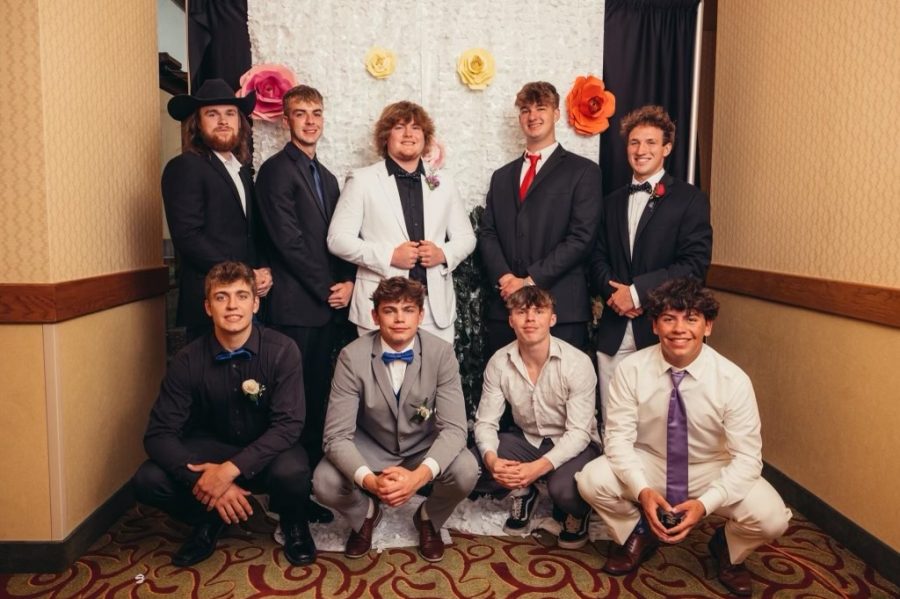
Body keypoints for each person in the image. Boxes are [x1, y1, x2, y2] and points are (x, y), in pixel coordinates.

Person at [575, 279, 791, 596]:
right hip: (651, 460)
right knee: (592, 480)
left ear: (708, 327)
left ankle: (727, 549)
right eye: (669, 318)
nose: (679, 329)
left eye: (691, 319)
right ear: (654, 325)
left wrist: (706, 505)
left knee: (772, 518)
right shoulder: (631, 369)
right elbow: (618, 440)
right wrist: (642, 491)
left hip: (711, 466)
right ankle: (639, 531)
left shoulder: (733, 380)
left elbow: (747, 460)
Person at [132, 261, 315, 567]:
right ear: (207, 307)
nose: (232, 306)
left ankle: (294, 521)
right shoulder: (187, 359)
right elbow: (158, 434)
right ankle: (211, 515)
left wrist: (229, 471)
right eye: (221, 297)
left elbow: (288, 426)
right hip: (209, 449)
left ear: (255, 304)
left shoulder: (283, 350)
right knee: (148, 480)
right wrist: (204, 481)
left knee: (294, 471)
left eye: (242, 296)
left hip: (266, 450)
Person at [313, 277, 478, 562]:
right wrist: (371, 484)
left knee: (466, 470)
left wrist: (418, 478)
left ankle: (428, 518)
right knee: (324, 482)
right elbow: (336, 436)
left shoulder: (441, 353)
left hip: (420, 447)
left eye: (408, 310)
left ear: (420, 315)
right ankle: (365, 513)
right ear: (375, 316)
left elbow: (454, 429)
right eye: (389, 310)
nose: (399, 319)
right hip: (371, 446)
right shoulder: (352, 357)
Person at [255, 84, 355, 521]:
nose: (310, 120)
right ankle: (286, 496)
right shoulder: (276, 171)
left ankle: (309, 491)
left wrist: (347, 284)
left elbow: (339, 241)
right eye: (301, 113)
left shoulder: (329, 177)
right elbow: (289, 243)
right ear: (285, 119)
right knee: (289, 403)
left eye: (316, 113)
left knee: (316, 397)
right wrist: (325, 288)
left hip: (326, 308)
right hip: (295, 308)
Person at [590, 105, 712, 425]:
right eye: (634, 143)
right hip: (615, 331)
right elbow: (596, 257)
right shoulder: (611, 201)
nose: (640, 150)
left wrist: (637, 293)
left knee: (660, 423)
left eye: (650, 143)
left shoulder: (690, 199)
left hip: (663, 329)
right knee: (615, 421)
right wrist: (615, 295)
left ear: (666, 148)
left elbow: (694, 265)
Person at [327, 101, 476, 344]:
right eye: (399, 127)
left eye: (416, 127)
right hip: (381, 309)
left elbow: (466, 238)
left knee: (432, 380)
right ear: (385, 136)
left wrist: (443, 253)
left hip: (434, 309)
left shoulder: (443, 181)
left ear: (425, 137)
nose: (409, 134)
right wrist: (389, 256)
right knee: (380, 382)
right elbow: (337, 239)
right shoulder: (362, 180)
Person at [472, 286, 602, 549]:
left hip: (576, 443)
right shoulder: (499, 361)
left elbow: (578, 434)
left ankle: (576, 513)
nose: (530, 319)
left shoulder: (577, 363)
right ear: (511, 320)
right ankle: (524, 491)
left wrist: (536, 469)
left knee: (565, 491)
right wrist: (493, 460)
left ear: (552, 319)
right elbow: (486, 422)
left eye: (538, 311)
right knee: (470, 467)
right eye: (521, 312)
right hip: (527, 440)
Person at [479, 81, 602, 356]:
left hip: (562, 310)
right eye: (525, 109)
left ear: (557, 114)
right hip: (506, 309)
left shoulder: (583, 172)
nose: (533, 116)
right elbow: (488, 233)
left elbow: (582, 238)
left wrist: (529, 280)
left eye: (541, 108)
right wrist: (506, 278)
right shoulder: (501, 177)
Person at [163, 79, 272, 341]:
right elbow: (188, 236)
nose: (223, 121)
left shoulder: (242, 172)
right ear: (198, 124)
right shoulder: (185, 166)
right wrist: (245, 274)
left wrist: (263, 269)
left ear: (239, 122)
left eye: (230, 114)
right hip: (210, 301)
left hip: (247, 299)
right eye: (212, 114)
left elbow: (250, 234)